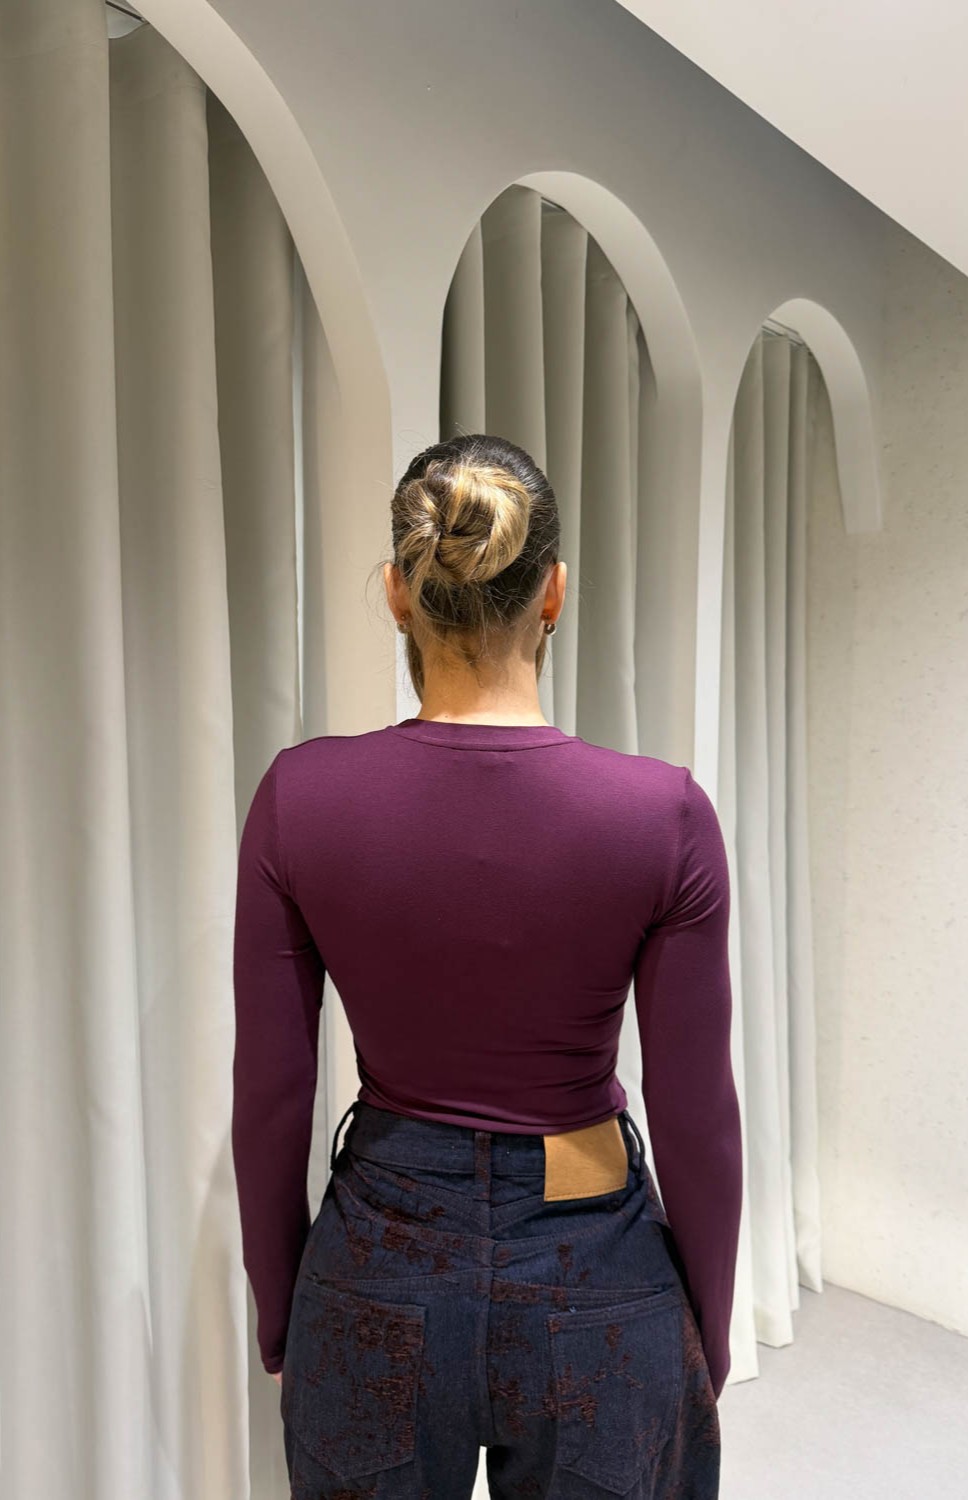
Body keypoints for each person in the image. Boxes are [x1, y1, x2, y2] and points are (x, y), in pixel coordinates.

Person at [232, 433, 743, 1498]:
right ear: (552, 592)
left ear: (397, 592)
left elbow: (272, 1093)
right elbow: (697, 1112)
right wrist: (707, 1320)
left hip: (376, 1258)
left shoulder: (300, 798)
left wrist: (281, 1303)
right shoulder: (662, 815)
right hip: (598, 1264)